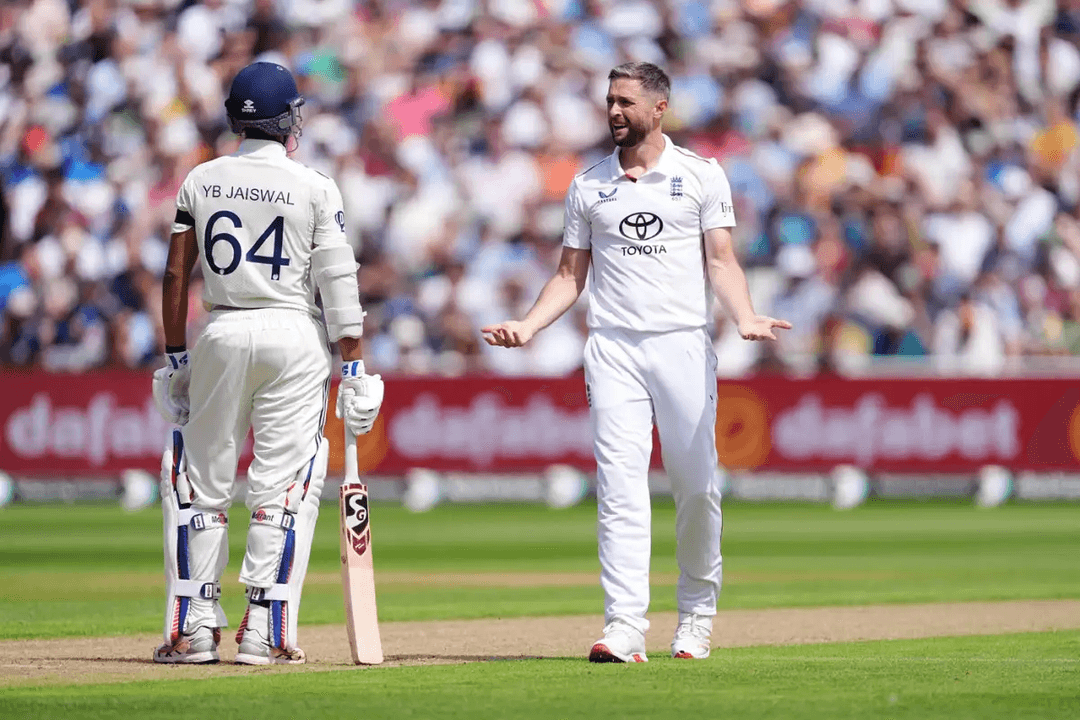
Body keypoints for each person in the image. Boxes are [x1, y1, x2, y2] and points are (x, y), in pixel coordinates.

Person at [482, 62, 791, 662]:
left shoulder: (700, 175)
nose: (614, 111)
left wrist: (746, 317)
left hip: (680, 343)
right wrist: (527, 324)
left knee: (695, 485)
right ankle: (624, 626)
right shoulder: (589, 183)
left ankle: (697, 616)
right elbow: (570, 275)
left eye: (626, 101)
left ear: (659, 107)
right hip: (613, 348)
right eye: (609, 101)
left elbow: (722, 262)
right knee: (619, 489)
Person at [150, 62, 384, 665]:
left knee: (199, 486)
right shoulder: (314, 185)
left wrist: (176, 356)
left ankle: (194, 628)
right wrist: (354, 367)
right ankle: (265, 631)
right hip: (294, 338)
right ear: (287, 121)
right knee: (281, 487)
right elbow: (339, 284)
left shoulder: (201, 179)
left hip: (221, 332)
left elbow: (177, 275)